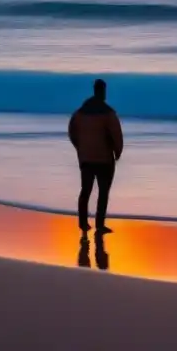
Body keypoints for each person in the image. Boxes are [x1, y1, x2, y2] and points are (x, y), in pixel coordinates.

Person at [68, 78, 123, 236]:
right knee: (103, 193)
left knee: (85, 191)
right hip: (104, 160)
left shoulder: (80, 112)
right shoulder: (108, 113)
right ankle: (99, 225)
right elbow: (116, 135)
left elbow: (72, 131)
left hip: (86, 159)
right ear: (103, 91)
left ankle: (83, 224)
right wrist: (118, 152)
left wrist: (80, 147)